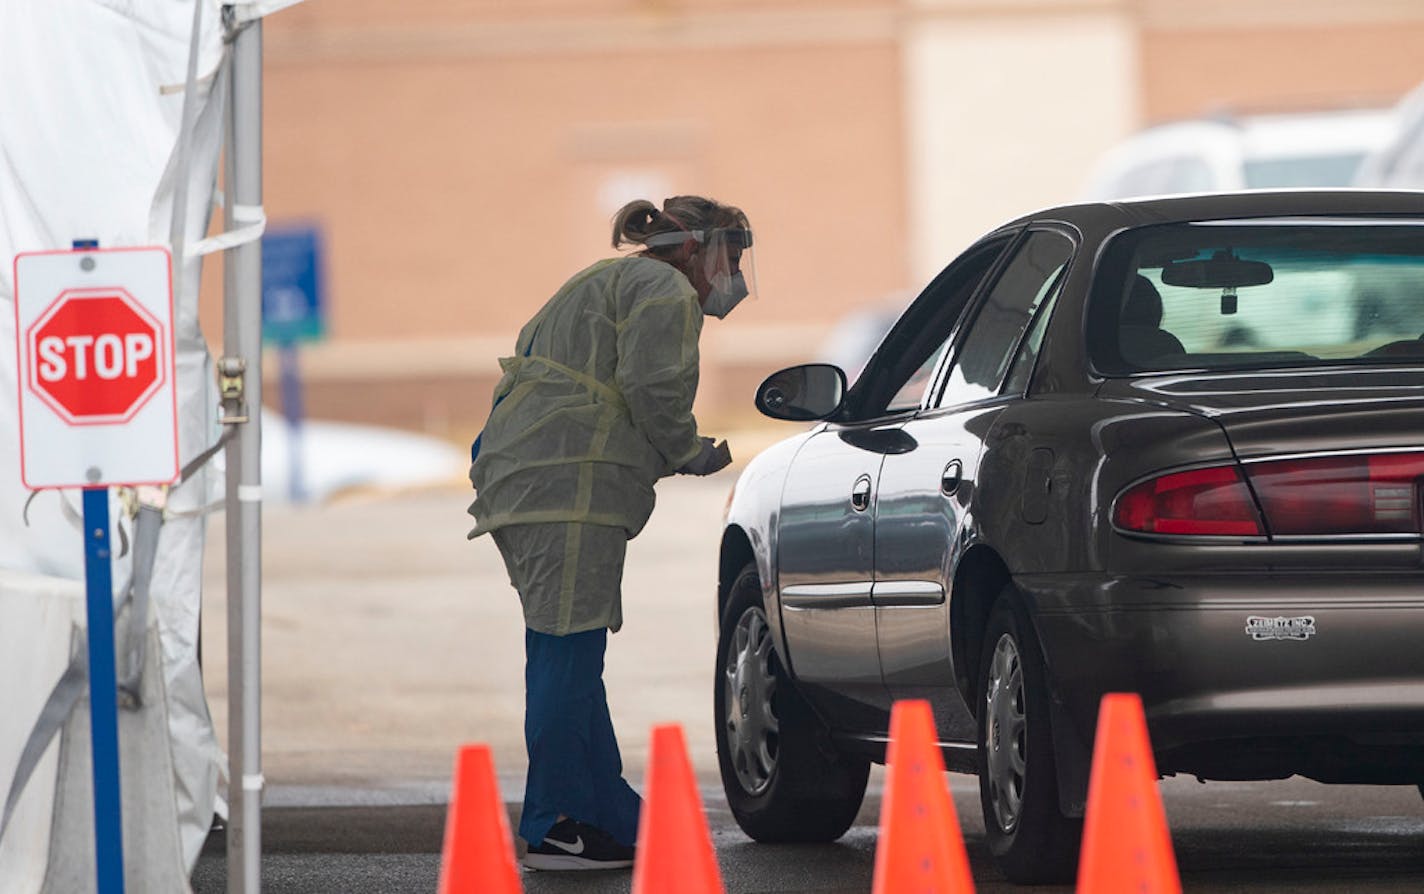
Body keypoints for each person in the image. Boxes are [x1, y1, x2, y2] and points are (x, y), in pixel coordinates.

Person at [466, 195, 753, 870]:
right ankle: (557, 823)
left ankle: (607, 814)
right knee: (567, 655)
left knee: (568, 650)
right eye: (730, 259)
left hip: (533, 478)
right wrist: (688, 451)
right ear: (695, 249)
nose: (732, 276)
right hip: (570, 482)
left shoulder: (605, 278)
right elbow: (655, 386)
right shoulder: (662, 288)